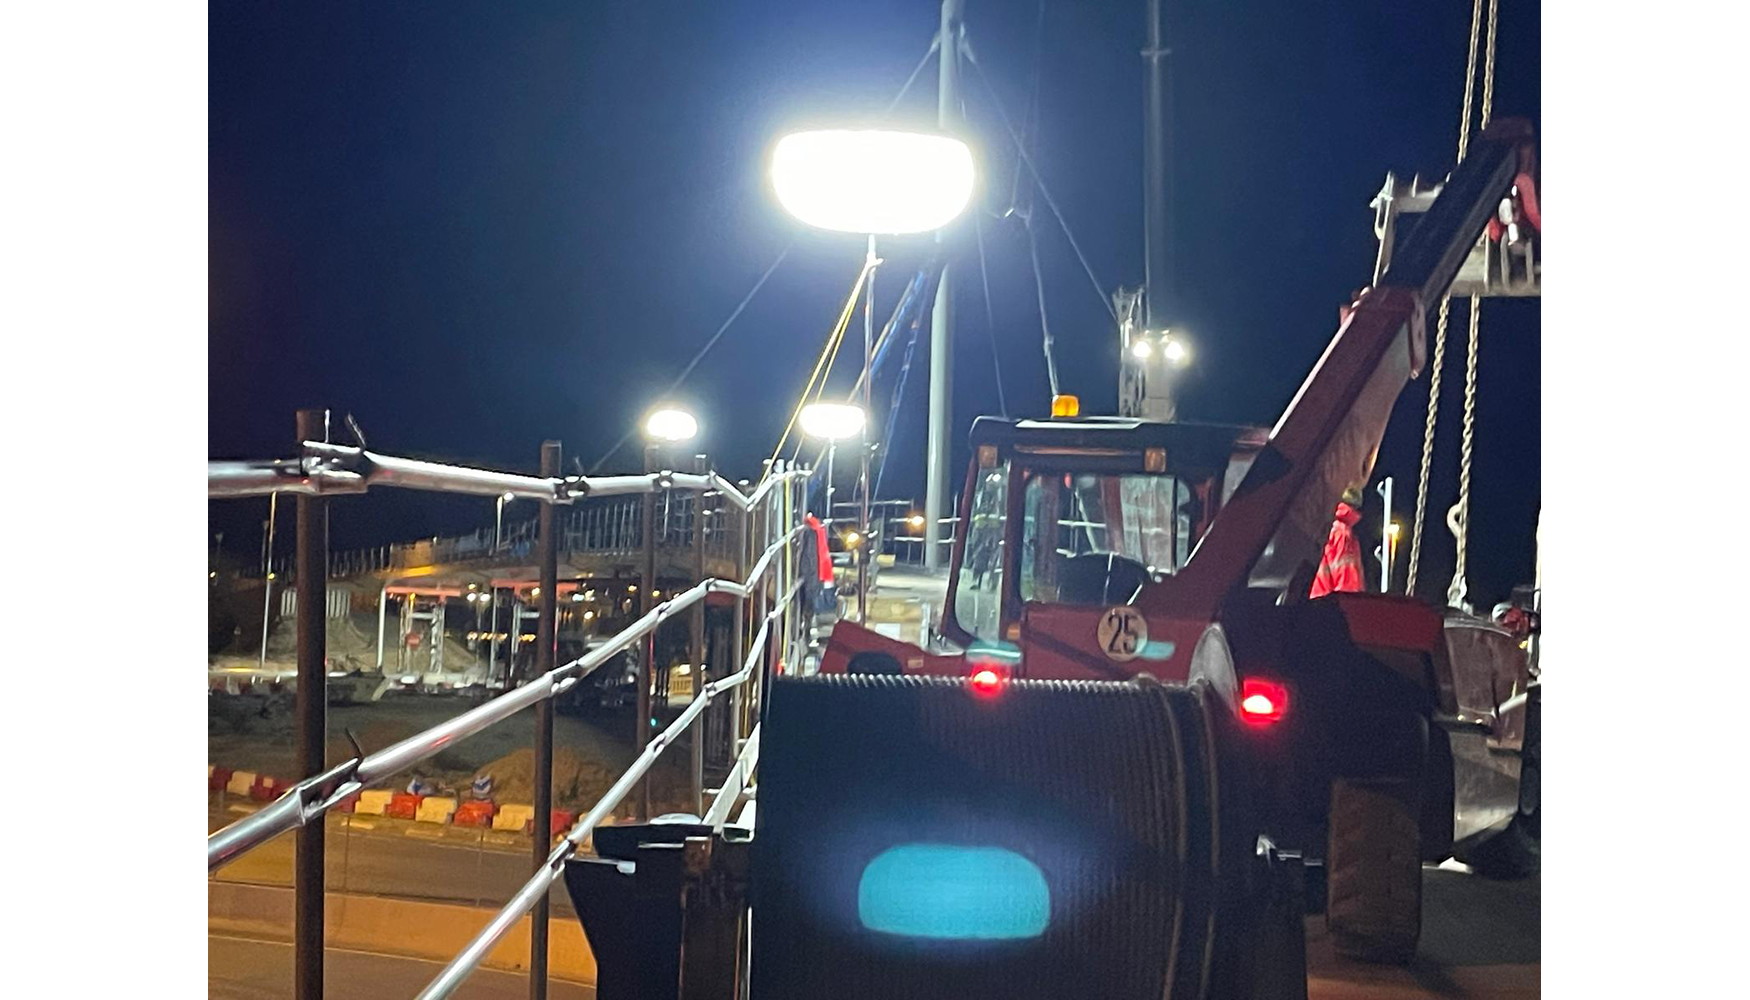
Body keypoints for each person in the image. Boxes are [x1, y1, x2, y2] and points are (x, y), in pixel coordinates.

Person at [1310, 485, 1366, 598]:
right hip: (1332, 607)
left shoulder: (1324, 528)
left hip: (1317, 601)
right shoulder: (1343, 533)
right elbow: (1347, 580)